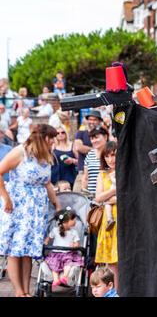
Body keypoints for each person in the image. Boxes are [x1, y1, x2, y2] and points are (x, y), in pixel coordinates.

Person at [0, 124, 61, 297]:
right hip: (18, 206)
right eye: (51, 138)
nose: (53, 142)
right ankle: (19, 292)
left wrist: (56, 204)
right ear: (43, 137)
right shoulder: (21, 152)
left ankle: (27, 291)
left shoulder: (44, 155)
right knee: (15, 250)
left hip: (36, 209)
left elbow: (47, 183)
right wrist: (6, 198)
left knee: (27, 253)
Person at [95, 141, 118, 290]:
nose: (110, 159)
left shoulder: (126, 172)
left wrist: (108, 198)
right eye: (107, 156)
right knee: (111, 263)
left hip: (124, 217)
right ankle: (115, 292)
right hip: (109, 221)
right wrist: (114, 191)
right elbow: (98, 198)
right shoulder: (102, 175)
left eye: (113, 155)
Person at [43, 208, 84, 287]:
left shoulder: (73, 232)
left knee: (68, 264)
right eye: (73, 219)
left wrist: (74, 245)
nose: (75, 221)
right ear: (64, 223)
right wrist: (46, 241)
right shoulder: (55, 230)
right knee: (54, 266)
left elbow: (77, 243)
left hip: (68, 254)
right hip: (56, 254)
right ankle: (55, 279)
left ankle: (65, 276)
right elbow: (49, 237)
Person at [73, 110, 103, 192]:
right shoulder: (81, 133)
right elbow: (78, 147)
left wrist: (86, 149)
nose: (92, 122)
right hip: (82, 171)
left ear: (99, 121)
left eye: (94, 120)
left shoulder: (103, 134)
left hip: (99, 171)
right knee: (77, 196)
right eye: (90, 119)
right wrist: (96, 149)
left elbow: (106, 148)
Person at [83, 125, 108, 194]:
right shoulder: (90, 155)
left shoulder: (111, 153)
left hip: (107, 195)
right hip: (91, 196)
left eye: (96, 138)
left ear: (105, 137)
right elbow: (85, 178)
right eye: (92, 139)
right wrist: (83, 194)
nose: (94, 141)